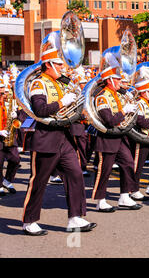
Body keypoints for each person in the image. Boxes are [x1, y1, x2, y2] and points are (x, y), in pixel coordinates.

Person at [22, 33, 96, 235]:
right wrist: (63, 102)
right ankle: (29, 221)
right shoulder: (39, 83)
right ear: (49, 64)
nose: (63, 67)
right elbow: (40, 110)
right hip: (45, 138)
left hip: (65, 137)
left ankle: (75, 217)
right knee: (38, 181)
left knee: (75, 175)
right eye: (59, 64)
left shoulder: (61, 84)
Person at [92, 66, 143, 211]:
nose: (120, 82)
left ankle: (124, 196)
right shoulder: (102, 97)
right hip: (107, 137)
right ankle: (100, 200)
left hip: (120, 136)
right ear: (109, 80)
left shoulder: (118, 95)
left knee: (128, 163)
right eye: (117, 79)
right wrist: (124, 111)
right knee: (105, 170)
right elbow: (109, 120)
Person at [0, 82, 21, 196]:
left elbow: (19, 116)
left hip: (9, 135)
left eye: (3, 89)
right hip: (0, 135)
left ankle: (7, 180)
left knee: (15, 159)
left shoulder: (9, 102)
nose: (3, 92)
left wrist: (16, 114)